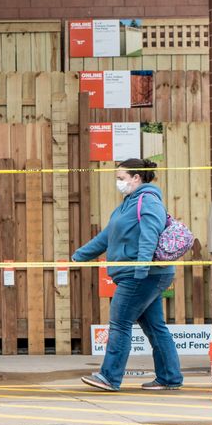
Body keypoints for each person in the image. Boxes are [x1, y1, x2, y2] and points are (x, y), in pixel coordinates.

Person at [73, 158, 183, 392]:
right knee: (155, 327)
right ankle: (169, 377)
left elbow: (150, 235)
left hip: (141, 274)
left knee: (120, 323)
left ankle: (109, 377)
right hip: (141, 274)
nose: (118, 182)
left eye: (121, 178)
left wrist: (141, 268)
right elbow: (107, 237)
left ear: (136, 178)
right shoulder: (127, 204)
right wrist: (79, 256)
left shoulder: (149, 201)